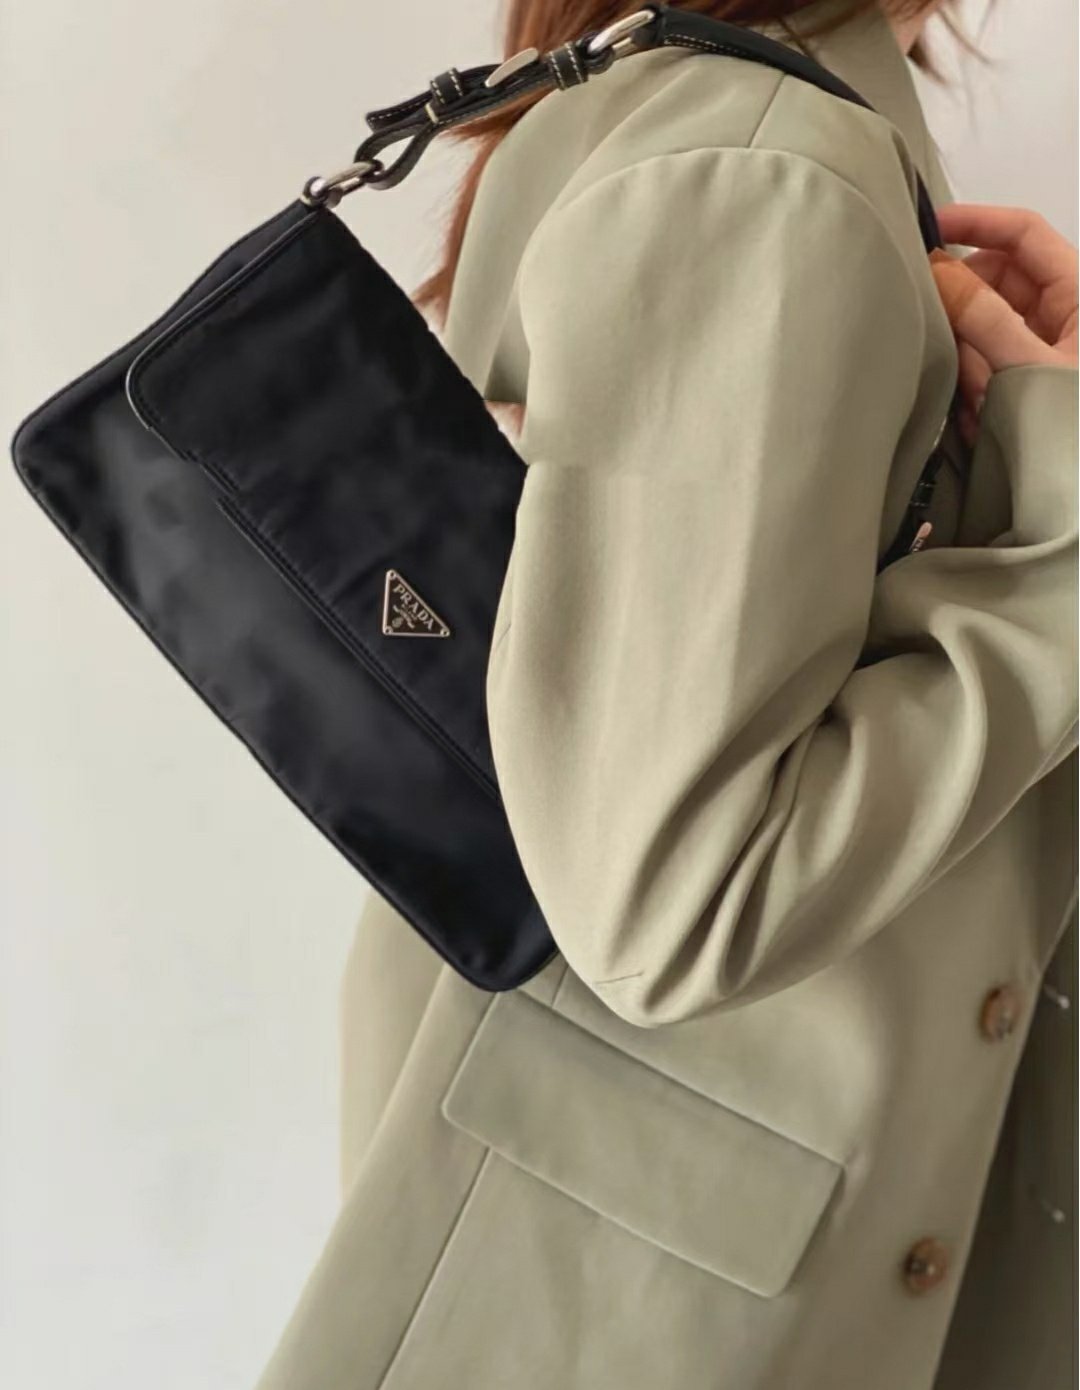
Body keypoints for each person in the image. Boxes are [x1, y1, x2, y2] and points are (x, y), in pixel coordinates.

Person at [257, 2, 1078, 1387]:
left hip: (667, 1259)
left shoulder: (714, 115)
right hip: (661, 1295)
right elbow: (676, 902)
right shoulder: (767, 169)